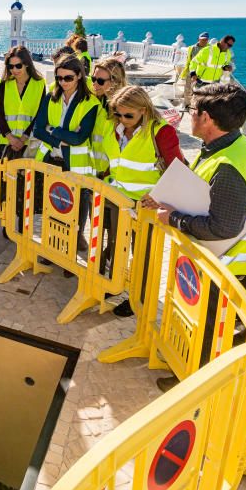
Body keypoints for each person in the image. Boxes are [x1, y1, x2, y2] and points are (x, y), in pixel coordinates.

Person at [144, 83, 246, 391]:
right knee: (205, 326)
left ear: (208, 119)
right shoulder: (231, 146)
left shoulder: (228, 166)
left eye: (192, 112)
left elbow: (223, 227)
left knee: (210, 331)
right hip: (221, 261)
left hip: (227, 265)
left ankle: (192, 387)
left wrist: (173, 218)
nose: (189, 118)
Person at [102, 86, 186, 318]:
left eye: (128, 115)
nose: (122, 119)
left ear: (144, 110)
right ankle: (115, 285)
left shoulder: (161, 132)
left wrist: (158, 197)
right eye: (117, 114)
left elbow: (178, 171)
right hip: (118, 202)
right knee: (119, 248)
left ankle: (139, 296)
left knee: (143, 255)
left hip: (145, 209)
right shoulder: (115, 129)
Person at [32, 57, 99, 256]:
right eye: (59, 77)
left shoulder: (90, 103)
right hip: (52, 162)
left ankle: (70, 255)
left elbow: (79, 138)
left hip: (75, 167)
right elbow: (37, 130)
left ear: (79, 76)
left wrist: (52, 130)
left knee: (76, 215)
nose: (62, 82)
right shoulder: (51, 97)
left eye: (68, 78)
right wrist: (61, 138)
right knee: (53, 210)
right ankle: (52, 251)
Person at [0, 46, 46, 234]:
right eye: (10, 66)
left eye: (17, 66)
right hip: (7, 145)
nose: (14, 70)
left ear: (27, 64)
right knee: (7, 186)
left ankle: (23, 227)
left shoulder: (39, 84)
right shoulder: (5, 85)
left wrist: (23, 138)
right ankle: (7, 226)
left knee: (26, 188)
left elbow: (40, 115)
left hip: (29, 145)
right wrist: (10, 137)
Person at [90, 58, 128, 177]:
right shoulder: (93, 101)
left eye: (100, 81)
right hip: (94, 171)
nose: (94, 84)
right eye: (93, 79)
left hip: (113, 174)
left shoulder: (125, 109)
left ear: (114, 81)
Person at [179, 32, 211, 106]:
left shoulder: (210, 49)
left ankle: (197, 105)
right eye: (202, 40)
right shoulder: (192, 48)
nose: (204, 41)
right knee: (188, 89)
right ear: (198, 39)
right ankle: (186, 104)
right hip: (191, 71)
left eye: (206, 40)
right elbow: (189, 60)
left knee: (200, 90)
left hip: (203, 73)